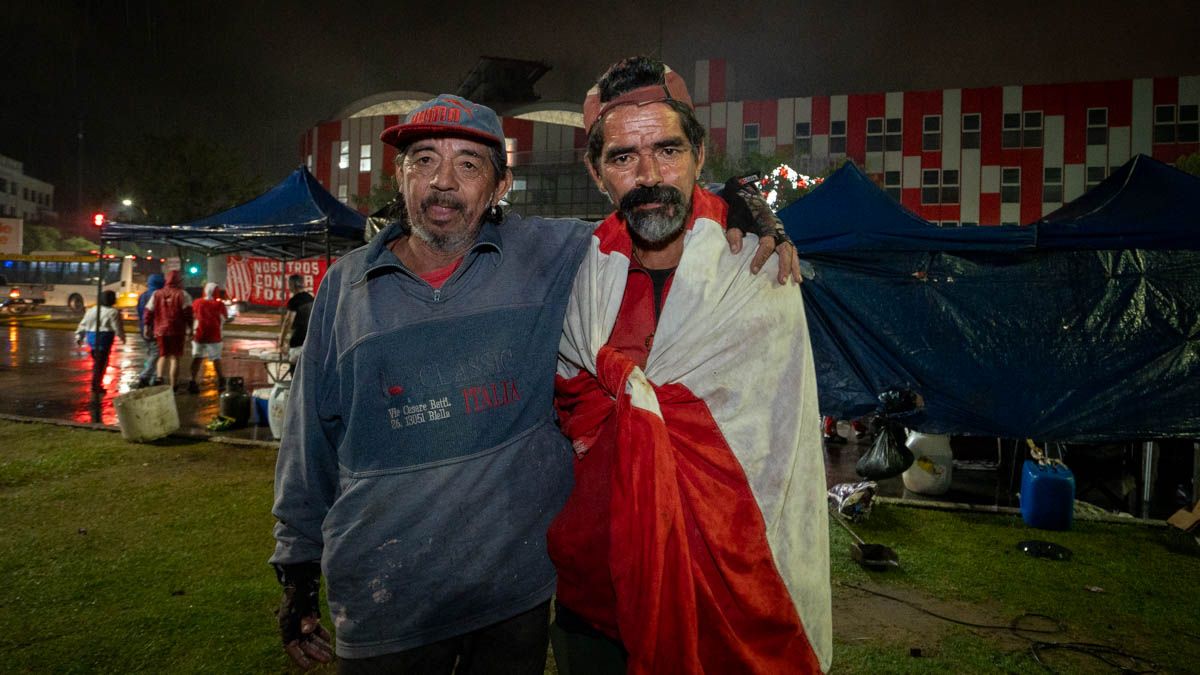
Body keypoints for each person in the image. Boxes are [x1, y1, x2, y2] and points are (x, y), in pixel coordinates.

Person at [270, 93, 797, 673]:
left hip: (511, 601)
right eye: (423, 160)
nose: (443, 182)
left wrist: (738, 202)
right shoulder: (344, 290)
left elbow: (648, 205)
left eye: (468, 165)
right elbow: (306, 445)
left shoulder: (550, 254)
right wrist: (297, 573)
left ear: (500, 188)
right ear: (400, 174)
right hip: (385, 600)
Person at [547, 56, 831, 673]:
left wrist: (749, 202)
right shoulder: (574, 274)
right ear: (598, 173)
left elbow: (779, 448)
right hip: (595, 601)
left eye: (668, 150)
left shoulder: (756, 273)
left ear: (700, 156)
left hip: (727, 601)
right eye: (624, 158)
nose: (650, 175)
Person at [143, 269, 192, 389]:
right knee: (175, 358)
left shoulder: (156, 293)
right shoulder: (183, 294)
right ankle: (173, 385)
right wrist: (190, 328)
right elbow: (188, 313)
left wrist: (146, 326)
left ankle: (159, 379)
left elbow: (148, 312)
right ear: (179, 280)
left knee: (162, 355)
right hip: (177, 330)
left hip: (160, 330)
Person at [75, 289, 126, 394]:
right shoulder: (113, 312)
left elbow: (83, 324)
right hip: (104, 339)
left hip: (92, 338)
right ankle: (96, 385)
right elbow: (117, 327)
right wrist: (122, 337)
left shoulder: (91, 310)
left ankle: (96, 383)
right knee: (101, 363)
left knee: (97, 361)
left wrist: (79, 336)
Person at [186, 282, 230, 394]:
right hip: (214, 335)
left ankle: (192, 381)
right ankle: (221, 381)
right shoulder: (219, 305)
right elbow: (225, 318)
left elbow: (192, 316)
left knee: (197, 358)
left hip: (199, 335)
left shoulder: (197, 302)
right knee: (216, 359)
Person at [134, 273, 164, 388]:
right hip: (154, 328)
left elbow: (139, 311)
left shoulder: (143, 295)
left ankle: (154, 376)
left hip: (143, 328)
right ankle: (145, 376)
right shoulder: (158, 295)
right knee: (156, 353)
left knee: (152, 352)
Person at [278, 274, 313, 360]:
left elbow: (288, 322)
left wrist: (281, 341)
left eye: (289, 284)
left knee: (294, 370)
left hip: (298, 341)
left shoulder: (294, 301)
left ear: (292, 285)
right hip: (310, 341)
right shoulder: (310, 298)